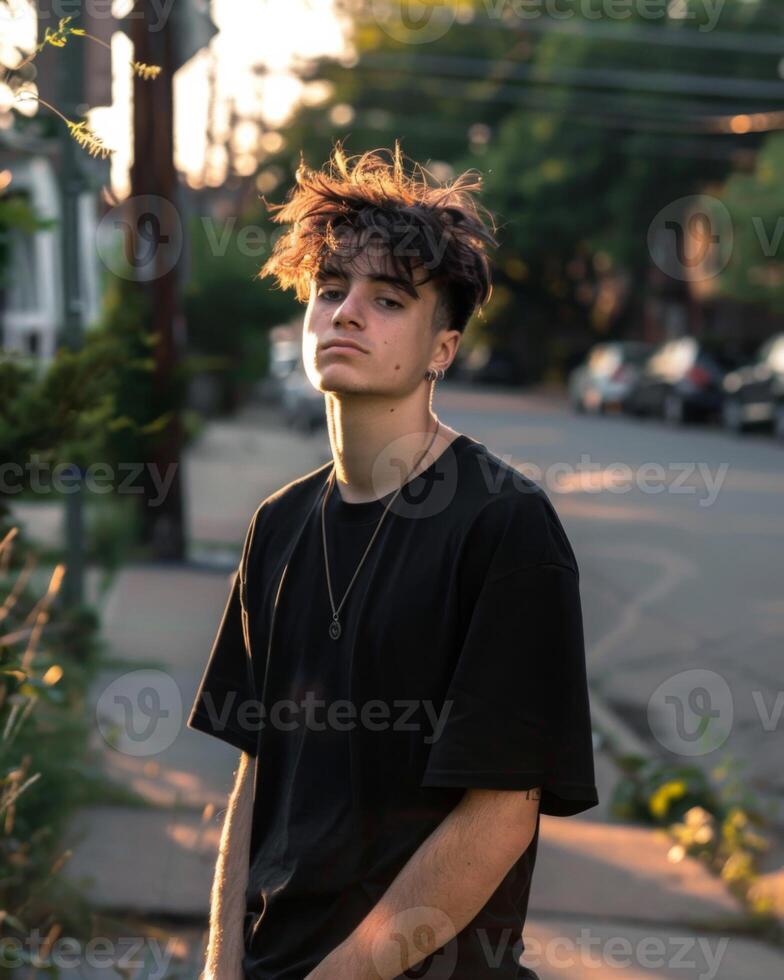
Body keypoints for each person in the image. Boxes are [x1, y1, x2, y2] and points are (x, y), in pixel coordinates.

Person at [188, 141, 599, 980]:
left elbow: (500, 814)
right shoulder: (280, 524)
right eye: (330, 290)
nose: (345, 314)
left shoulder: (507, 527)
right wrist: (220, 968)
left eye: (387, 300)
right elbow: (254, 776)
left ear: (442, 348)